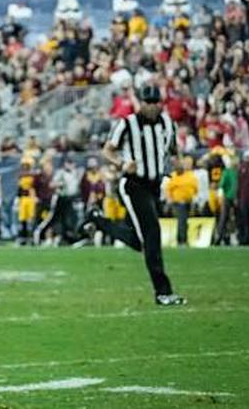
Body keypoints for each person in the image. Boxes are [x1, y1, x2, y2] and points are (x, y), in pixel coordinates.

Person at [82, 84, 186, 306]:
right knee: (152, 235)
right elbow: (107, 150)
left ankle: (98, 220)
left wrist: (176, 162)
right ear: (141, 102)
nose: (151, 106)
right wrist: (122, 163)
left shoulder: (168, 123)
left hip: (154, 186)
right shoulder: (128, 124)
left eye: (155, 102)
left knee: (140, 241)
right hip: (133, 185)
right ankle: (163, 292)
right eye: (147, 102)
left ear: (160, 102)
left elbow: (173, 149)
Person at [165, 159, 197, 247]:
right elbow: (168, 190)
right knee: (182, 220)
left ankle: (182, 239)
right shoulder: (173, 176)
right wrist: (169, 199)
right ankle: (182, 240)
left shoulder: (190, 175)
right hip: (177, 202)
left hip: (188, 202)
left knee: (184, 221)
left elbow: (195, 188)